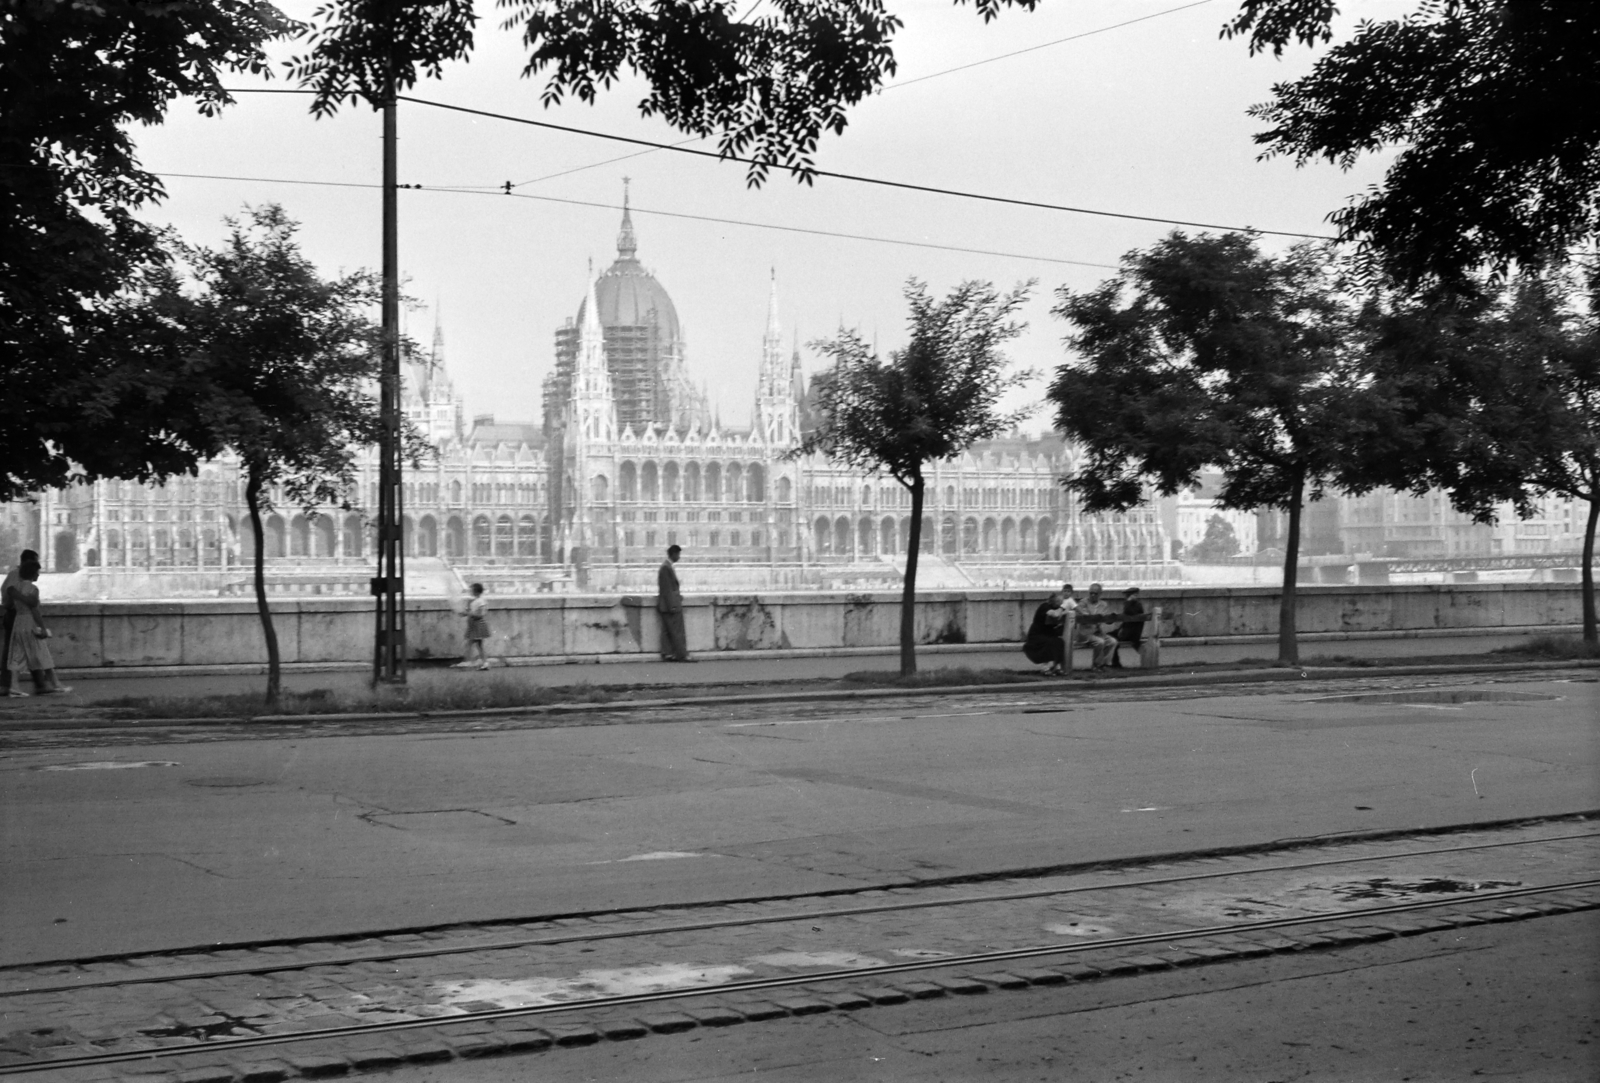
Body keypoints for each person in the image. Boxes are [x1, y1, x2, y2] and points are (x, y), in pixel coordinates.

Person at [7, 559, 69, 695]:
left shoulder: (14, 587)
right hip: (29, 623)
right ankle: (56, 684)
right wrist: (42, 626)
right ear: (32, 574)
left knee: (17, 655)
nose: (39, 575)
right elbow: (34, 610)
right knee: (42, 653)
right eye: (37, 572)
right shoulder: (34, 589)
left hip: (18, 622)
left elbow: (13, 602)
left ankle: (14, 686)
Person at [1, 549, 38, 697]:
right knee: (18, 652)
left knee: (26, 651)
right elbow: (10, 593)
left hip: (17, 615)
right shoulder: (17, 576)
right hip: (16, 616)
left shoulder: (13, 575)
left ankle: (7, 684)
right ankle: (7, 685)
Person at [1022, 590, 1069, 675]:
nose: (1060, 603)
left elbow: (1066, 612)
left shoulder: (1056, 608)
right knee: (1048, 643)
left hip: (1048, 634)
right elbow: (1054, 615)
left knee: (1059, 642)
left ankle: (1057, 666)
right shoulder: (1045, 606)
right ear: (1053, 600)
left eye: (1061, 602)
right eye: (1058, 601)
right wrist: (1062, 608)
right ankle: (1045, 667)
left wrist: (1062, 610)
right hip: (1036, 635)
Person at [657, 544, 692, 662]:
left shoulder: (665, 567)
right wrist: (672, 604)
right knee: (677, 631)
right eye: (678, 554)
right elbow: (667, 589)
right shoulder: (666, 568)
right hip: (671, 605)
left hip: (666, 605)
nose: (679, 557)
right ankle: (681, 654)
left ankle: (668, 653)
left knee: (668, 631)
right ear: (673, 554)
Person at [1076, 582, 1120, 671]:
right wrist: (1096, 617)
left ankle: (1105, 664)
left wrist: (1112, 618)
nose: (1092, 595)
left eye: (1095, 593)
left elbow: (1106, 620)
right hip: (1085, 633)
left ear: (1100, 594)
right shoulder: (1083, 603)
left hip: (1098, 632)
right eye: (1091, 593)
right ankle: (1096, 665)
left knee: (1113, 641)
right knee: (1100, 642)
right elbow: (1085, 616)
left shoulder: (1103, 604)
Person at [1111, 586, 1147, 669]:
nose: (1126, 598)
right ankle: (1114, 663)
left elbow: (1128, 613)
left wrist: (1128, 601)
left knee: (1112, 640)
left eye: (1128, 596)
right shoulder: (1133, 604)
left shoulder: (1136, 605)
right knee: (1108, 636)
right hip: (1127, 631)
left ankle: (1116, 663)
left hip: (1131, 633)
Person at [460, 582, 492, 670]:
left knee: (469, 644)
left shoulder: (480, 602)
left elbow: (480, 615)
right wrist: (465, 613)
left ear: (476, 591)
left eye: (472, 590)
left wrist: (467, 613)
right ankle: (484, 663)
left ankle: (469, 662)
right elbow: (471, 612)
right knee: (479, 645)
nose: (470, 591)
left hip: (477, 625)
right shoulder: (474, 601)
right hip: (474, 625)